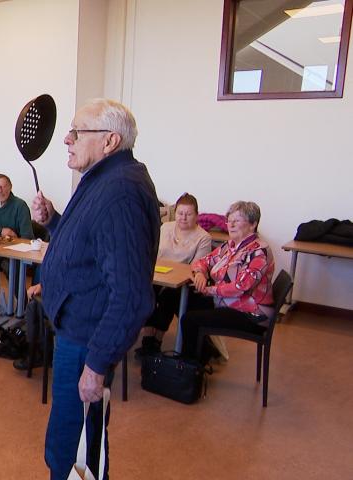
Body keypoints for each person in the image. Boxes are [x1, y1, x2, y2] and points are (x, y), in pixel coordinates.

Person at [32, 99, 159, 480]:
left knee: (74, 449)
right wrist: (53, 220)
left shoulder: (120, 193)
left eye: (77, 132)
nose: (67, 139)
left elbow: (132, 296)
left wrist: (97, 364)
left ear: (110, 140)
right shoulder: (103, 179)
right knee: (71, 439)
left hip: (86, 340)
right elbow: (87, 246)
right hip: (76, 332)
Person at [180, 201, 274, 363]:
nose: (231, 225)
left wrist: (209, 290)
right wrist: (200, 273)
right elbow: (203, 261)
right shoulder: (230, 246)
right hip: (228, 302)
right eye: (229, 220)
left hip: (250, 313)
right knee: (176, 297)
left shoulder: (259, 251)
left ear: (253, 224)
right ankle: (202, 353)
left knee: (190, 319)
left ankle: (190, 368)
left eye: (237, 220)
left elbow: (241, 287)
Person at [135, 193, 212, 356]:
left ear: (196, 215)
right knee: (146, 292)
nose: (183, 218)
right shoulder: (165, 228)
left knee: (167, 297)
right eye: (180, 213)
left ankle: (157, 339)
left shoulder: (203, 237)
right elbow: (152, 251)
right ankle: (148, 338)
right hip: (158, 275)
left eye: (188, 214)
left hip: (182, 283)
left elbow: (197, 266)